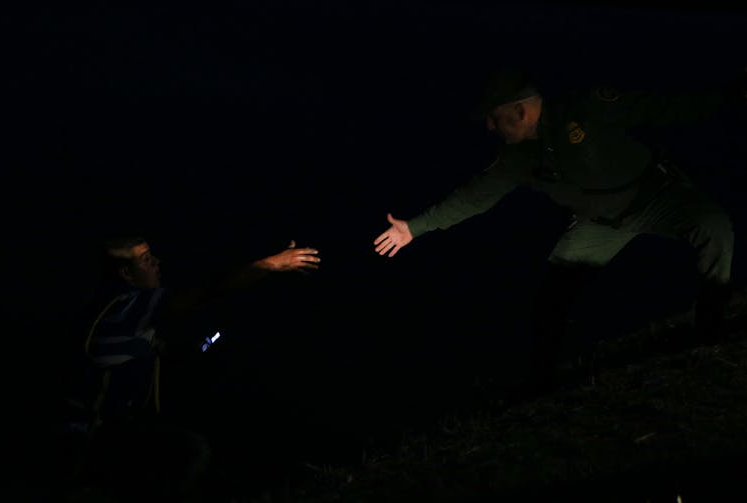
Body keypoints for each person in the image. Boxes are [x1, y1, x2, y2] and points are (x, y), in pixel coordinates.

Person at [372, 66, 746, 393]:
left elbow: (663, 108)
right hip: (599, 225)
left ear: (519, 111)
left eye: (494, 117)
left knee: (714, 228)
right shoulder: (517, 156)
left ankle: (710, 328)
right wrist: (414, 228)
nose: (489, 127)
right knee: (554, 292)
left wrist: (726, 96)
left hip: (656, 197)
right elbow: (474, 197)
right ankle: (540, 379)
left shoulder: (586, 108)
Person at [65, 234, 321, 501]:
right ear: (126, 274)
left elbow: (175, 354)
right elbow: (209, 291)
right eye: (146, 260)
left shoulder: (133, 320)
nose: (157, 263)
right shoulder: (126, 304)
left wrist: (208, 344)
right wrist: (271, 264)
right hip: (87, 438)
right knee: (189, 450)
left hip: (109, 435)